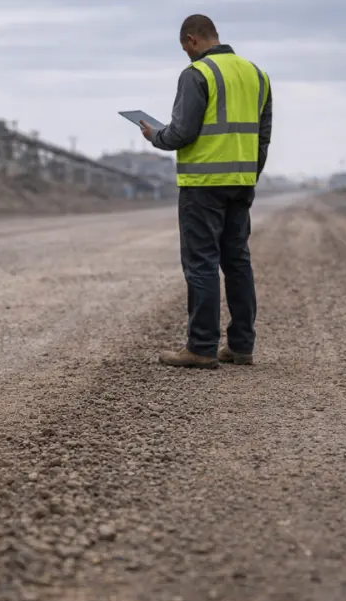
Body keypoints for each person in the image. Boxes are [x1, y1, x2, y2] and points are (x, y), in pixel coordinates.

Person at [139, 14, 272, 369]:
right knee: (237, 262)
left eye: (185, 47)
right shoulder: (257, 74)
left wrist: (155, 135)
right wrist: (249, 174)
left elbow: (182, 132)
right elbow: (263, 135)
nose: (186, 54)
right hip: (241, 183)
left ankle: (201, 347)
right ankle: (242, 346)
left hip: (202, 184)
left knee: (201, 264)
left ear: (191, 39)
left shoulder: (198, 74)